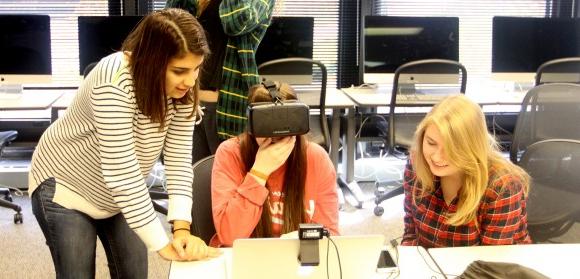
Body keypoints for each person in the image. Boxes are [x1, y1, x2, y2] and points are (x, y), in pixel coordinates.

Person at [29, 8, 220, 278]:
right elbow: (122, 173)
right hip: (66, 187)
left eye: (196, 69)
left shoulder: (183, 90)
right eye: (179, 71)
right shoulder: (114, 80)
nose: (190, 81)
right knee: (77, 271)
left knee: (134, 271)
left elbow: (178, 163)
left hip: (118, 196)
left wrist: (181, 228)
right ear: (153, 61)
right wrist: (163, 244)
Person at [210, 81, 339, 247]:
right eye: (266, 129)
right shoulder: (230, 153)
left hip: (296, 260)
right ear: (252, 125)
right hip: (243, 258)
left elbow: (329, 238)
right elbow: (230, 236)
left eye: (285, 129)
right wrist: (259, 173)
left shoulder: (316, 158)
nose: (275, 140)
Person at [401, 95, 532, 248]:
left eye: (451, 149)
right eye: (431, 143)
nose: (436, 157)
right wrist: (408, 264)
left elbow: (489, 264)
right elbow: (411, 232)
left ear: (471, 148)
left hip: (486, 268)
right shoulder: (418, 163)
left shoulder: (502, 186)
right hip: (431, 266)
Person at [166, 0, 276, 164]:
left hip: (227, 107)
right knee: (189, 177)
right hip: (185, 99)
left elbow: (237, 22)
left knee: (229, 177)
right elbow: (170, 22)